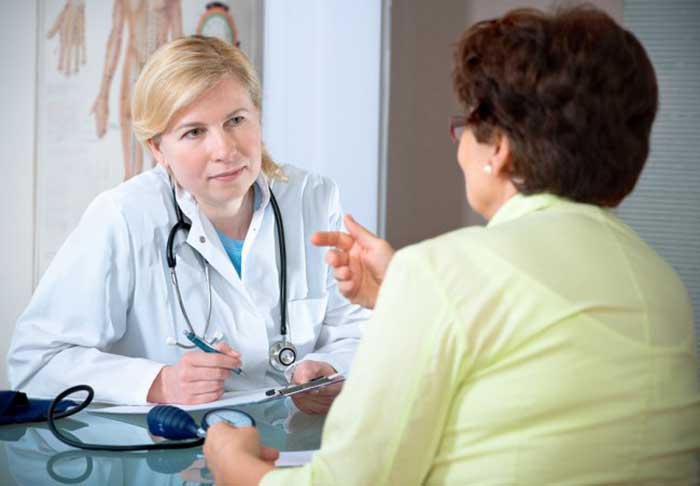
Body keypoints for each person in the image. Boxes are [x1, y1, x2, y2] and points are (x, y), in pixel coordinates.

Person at [203, 6, 700, 484]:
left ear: (499, 149)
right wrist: (404, 294)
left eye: (465, 127)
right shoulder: (659, 281)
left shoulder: (443, 273)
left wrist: (236, 467)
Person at [7, 36, 370, 412]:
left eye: (236, 120)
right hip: (172, 458)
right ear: (158, 149)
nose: (225, 150)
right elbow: (35, 361)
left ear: (258, 116)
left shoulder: (313, 198)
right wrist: (157, 383)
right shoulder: (125, 215)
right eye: (194, 132)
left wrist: (331, 368)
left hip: (295, 451)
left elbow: (357, 332)